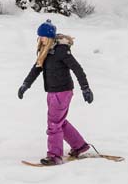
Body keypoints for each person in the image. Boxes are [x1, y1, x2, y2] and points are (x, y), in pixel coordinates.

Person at [18, 19, 94, 165]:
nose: (41, 39)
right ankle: (80, 146)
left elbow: (77, 68)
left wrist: (85, 88)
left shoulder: (60, 51)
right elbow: (36, 68)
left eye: (43, 36)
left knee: (54, 124)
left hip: (62, 92)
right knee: (60, 122)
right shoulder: (46, 51)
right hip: (52, 92)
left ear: (50, 37)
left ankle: (54, 156)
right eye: (39, 36)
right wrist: (25, 84)